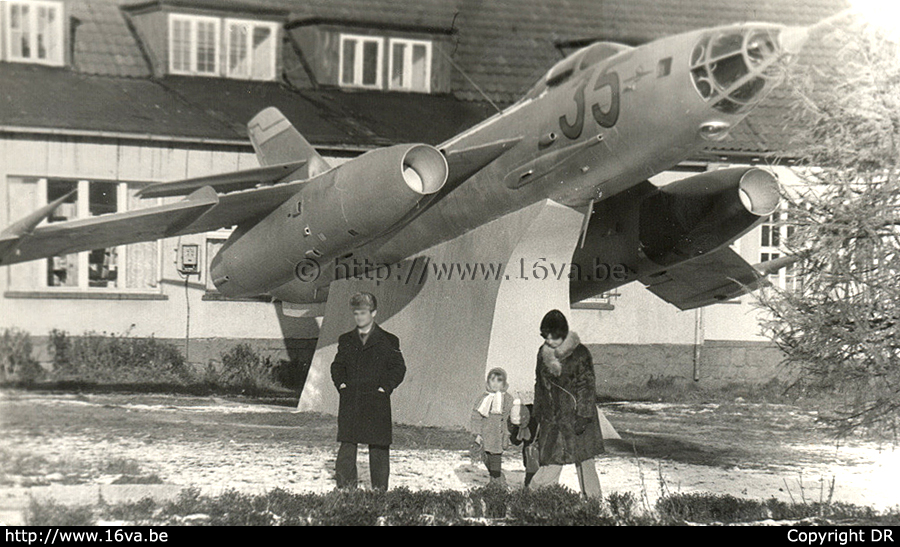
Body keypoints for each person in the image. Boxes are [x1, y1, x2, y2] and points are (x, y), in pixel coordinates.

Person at [330, 292, 406, 490]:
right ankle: (347, 490)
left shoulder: (389, 340)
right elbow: (337, 366)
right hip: (351, 400)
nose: (359, 317)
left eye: (363, 313)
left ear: (374, 313)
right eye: (356, 313)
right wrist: (342, 385)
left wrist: (385, 388)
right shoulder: (346, 339)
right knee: (347, 445)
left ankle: (379, 492)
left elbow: (398, 368)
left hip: (377, 400)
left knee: (379, 447)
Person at [530, 309, 604, 498]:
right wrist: (538, 410)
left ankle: (593, 501)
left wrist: (583, 415)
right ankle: (539, 498)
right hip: (553, 418)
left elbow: (587, 386)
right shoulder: (543, 352)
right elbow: (539, 383)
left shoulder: (579, 353)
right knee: (551, 460)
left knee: (585, 461)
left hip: (577, 418)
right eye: (545, 336)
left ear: (562, 334)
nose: (549, 341)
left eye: (553, 336)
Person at [470, 367, 515, 486]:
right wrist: (477, 433)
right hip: (485, 433)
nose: (495, 384)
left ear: (504, 383)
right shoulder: (483, 398)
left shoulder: (507, 399)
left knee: (495, 459)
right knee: (485, 457)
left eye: (499, 381)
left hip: (498, 435)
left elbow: (508, 417)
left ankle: (496, 483)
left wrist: (507, 433)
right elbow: (476, 416)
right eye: (492, 380)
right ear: (488, 382)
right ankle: (497, 478)